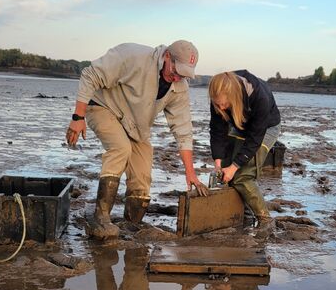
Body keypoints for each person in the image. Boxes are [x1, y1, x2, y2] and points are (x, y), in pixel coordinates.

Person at [66, 41, 208, 240]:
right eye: (176, 70)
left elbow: (183, 129)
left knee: (142, 171)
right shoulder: (133, 56)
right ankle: (100, 218)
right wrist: (77, 118)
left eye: (184, 75)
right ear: (167, 56)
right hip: (102, 107)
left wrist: (191, 173)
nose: (177, 77)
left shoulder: (179, 86)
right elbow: (90, 75)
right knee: (120, 148)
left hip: (135, 125)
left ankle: (132, 223)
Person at [208, 71, 281, 233]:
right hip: (240, 123)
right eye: (217, 104)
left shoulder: (259, 97)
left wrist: (234, 167)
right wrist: (218, 163)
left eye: (224, 105)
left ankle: (265, 219)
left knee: (242, 175)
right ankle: (244, 217)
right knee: (226, 172)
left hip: (265, 128)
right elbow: (217, 130)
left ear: (233, 96)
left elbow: (255, 139)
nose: (221, 108)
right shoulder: (218, 95)